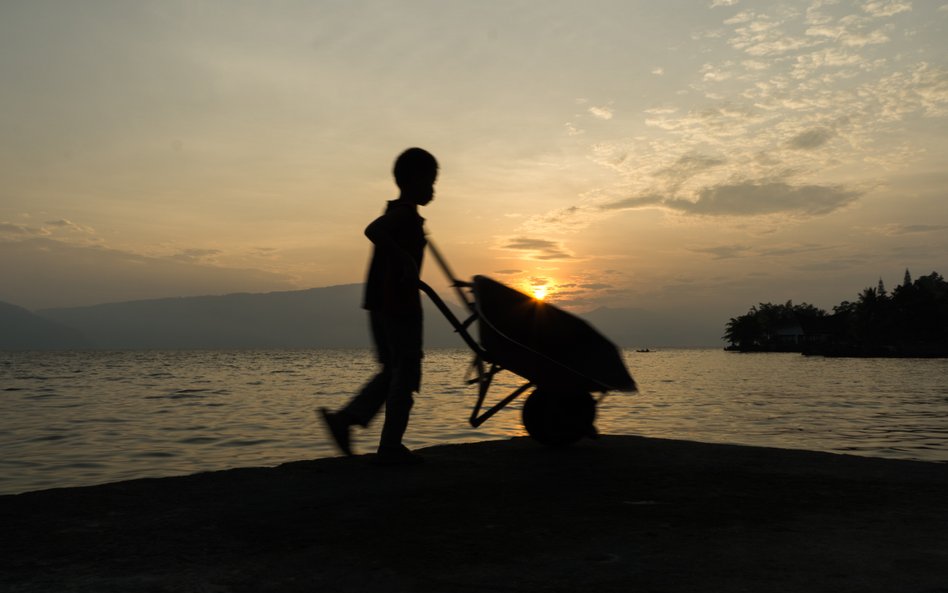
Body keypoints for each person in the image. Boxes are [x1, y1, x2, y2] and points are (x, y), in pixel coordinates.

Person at [320, 147, 438, 465]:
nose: (433, 189)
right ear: (413, 181)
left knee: (394, 370)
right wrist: (403, 257)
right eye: (430, 181)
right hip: (397, 303)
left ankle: (347, 421)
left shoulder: (407, 215)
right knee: (406, 370)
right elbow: (373, 230)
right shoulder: (403, 214)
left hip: (383, 302)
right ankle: (388, 446)